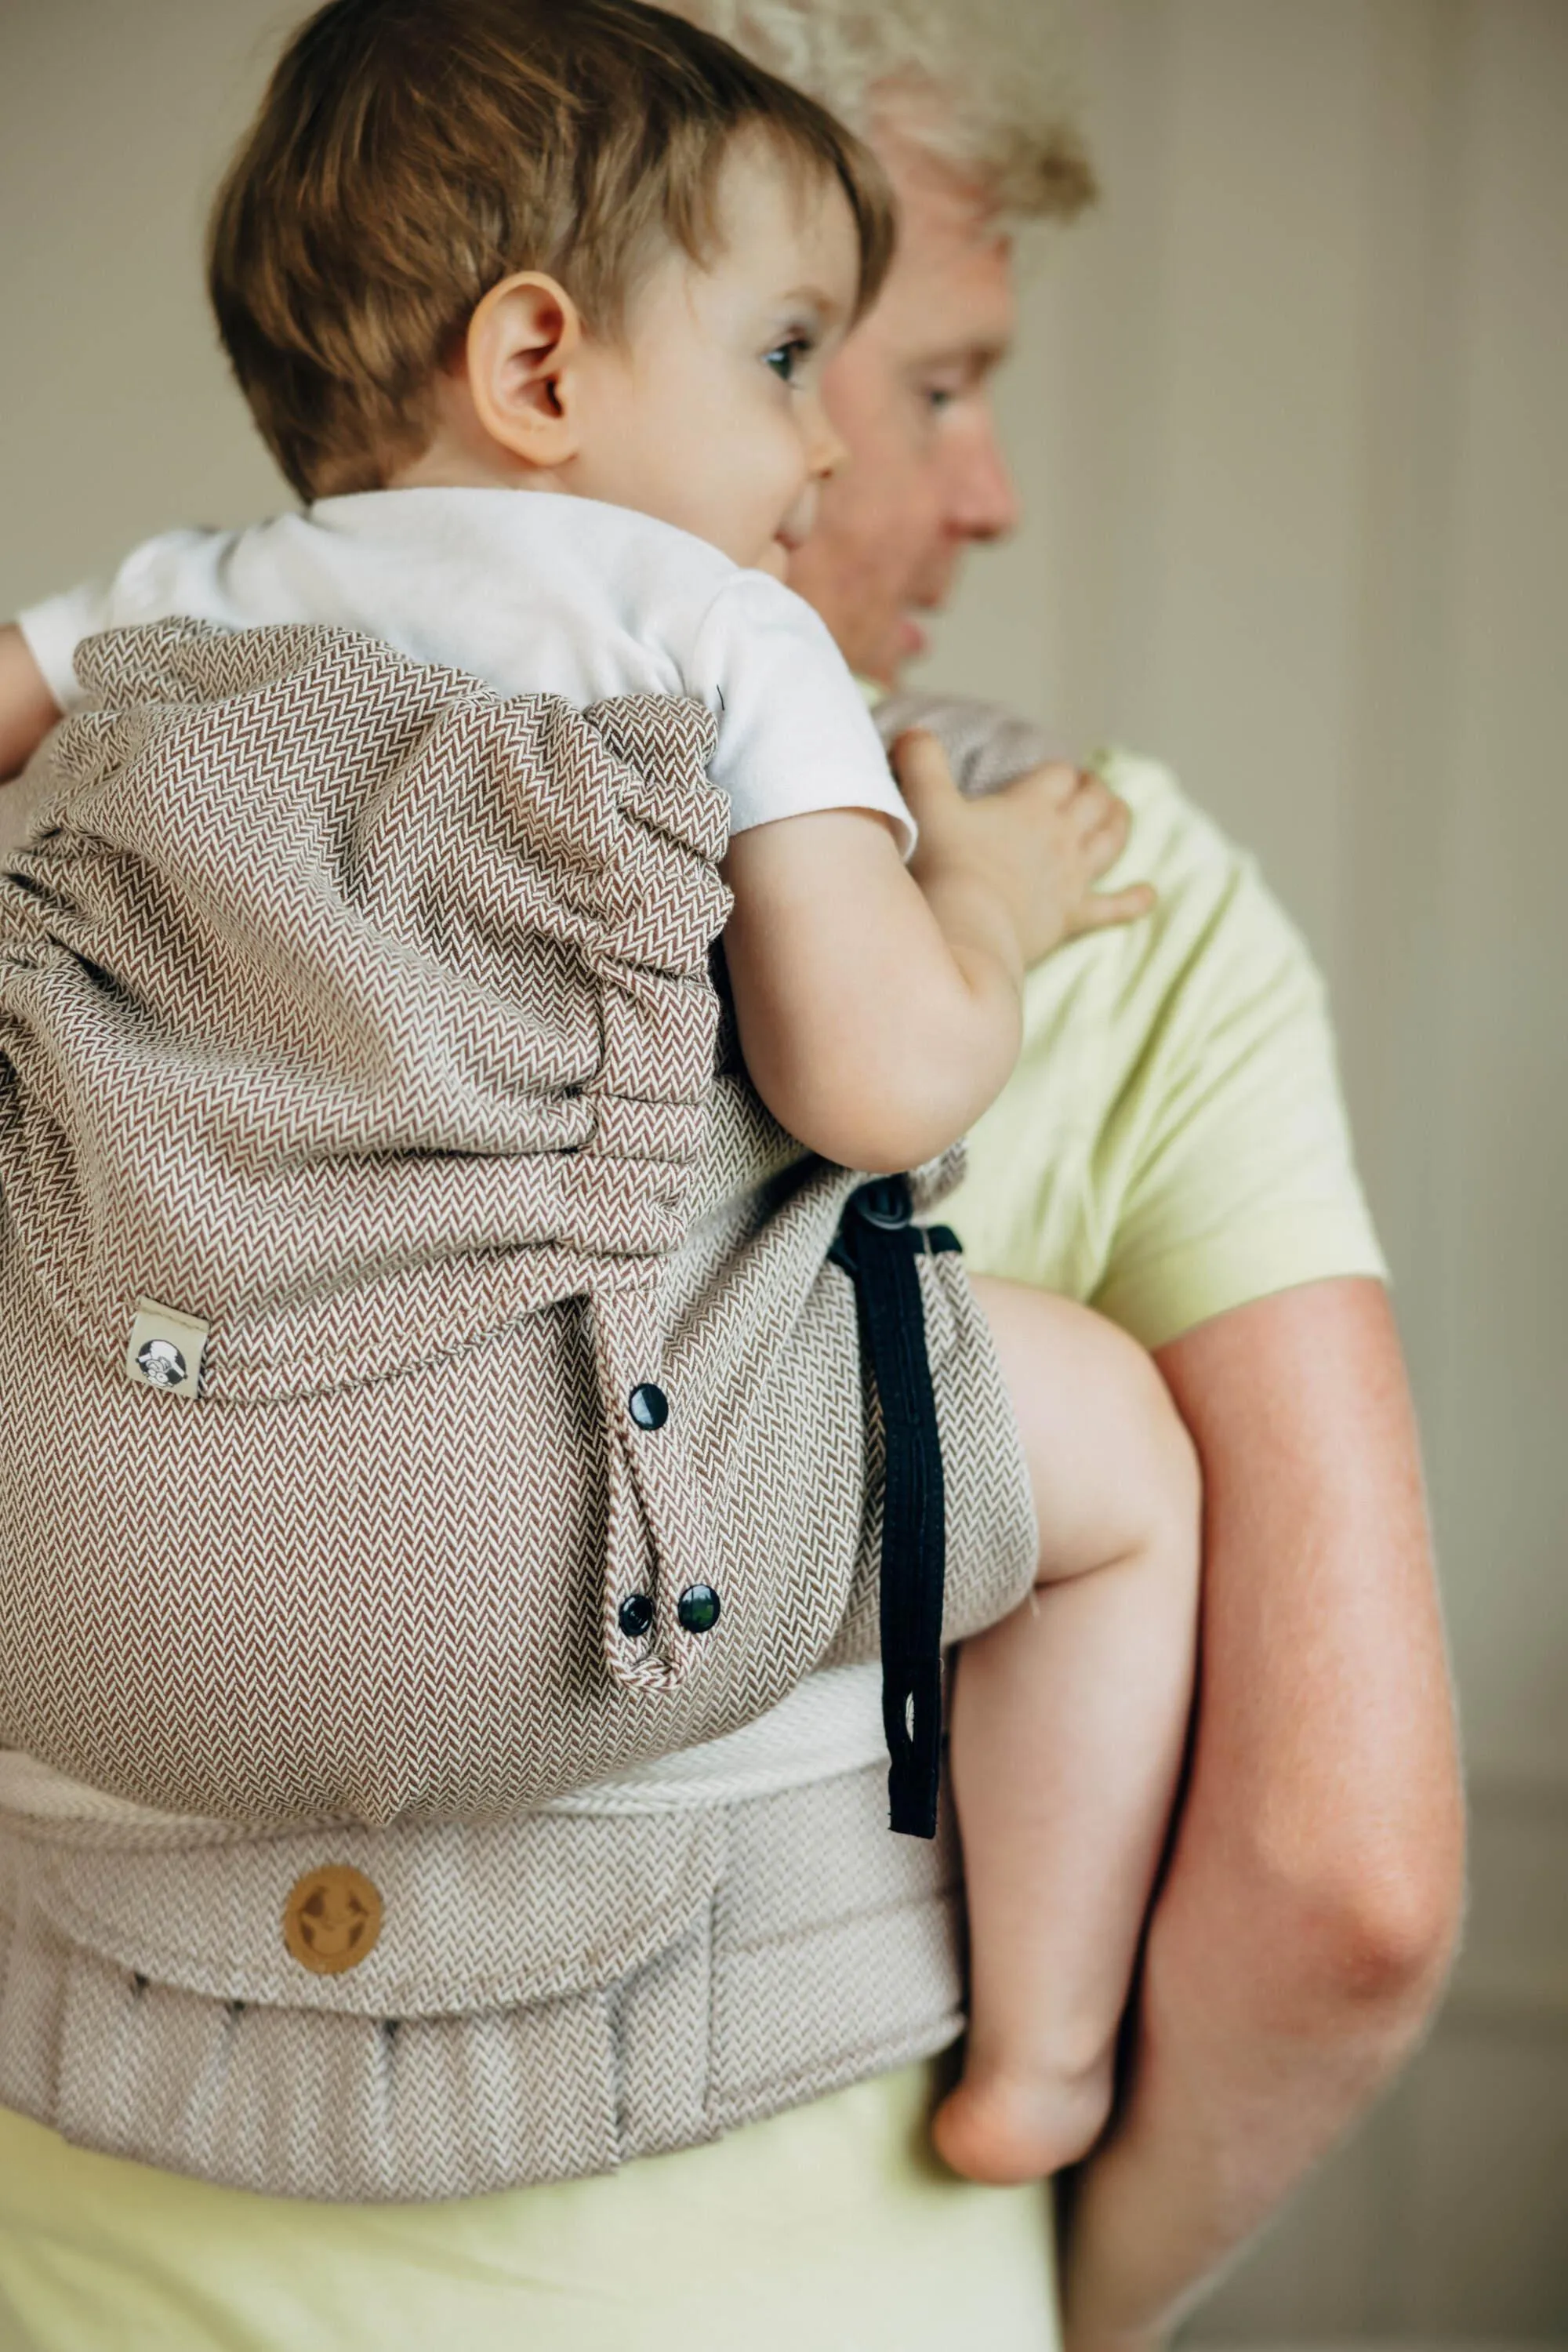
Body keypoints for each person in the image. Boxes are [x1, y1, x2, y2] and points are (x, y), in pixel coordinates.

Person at [0, 3, 1465, 2350]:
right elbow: (875, 1086)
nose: (866, 449)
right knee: (1116, 1452)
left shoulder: (173, 604)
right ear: (547, 362)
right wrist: (976, 892)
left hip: (92, 1789)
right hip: (607, 1590)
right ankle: (1047, 2053)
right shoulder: (727, 643)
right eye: (826, 357)